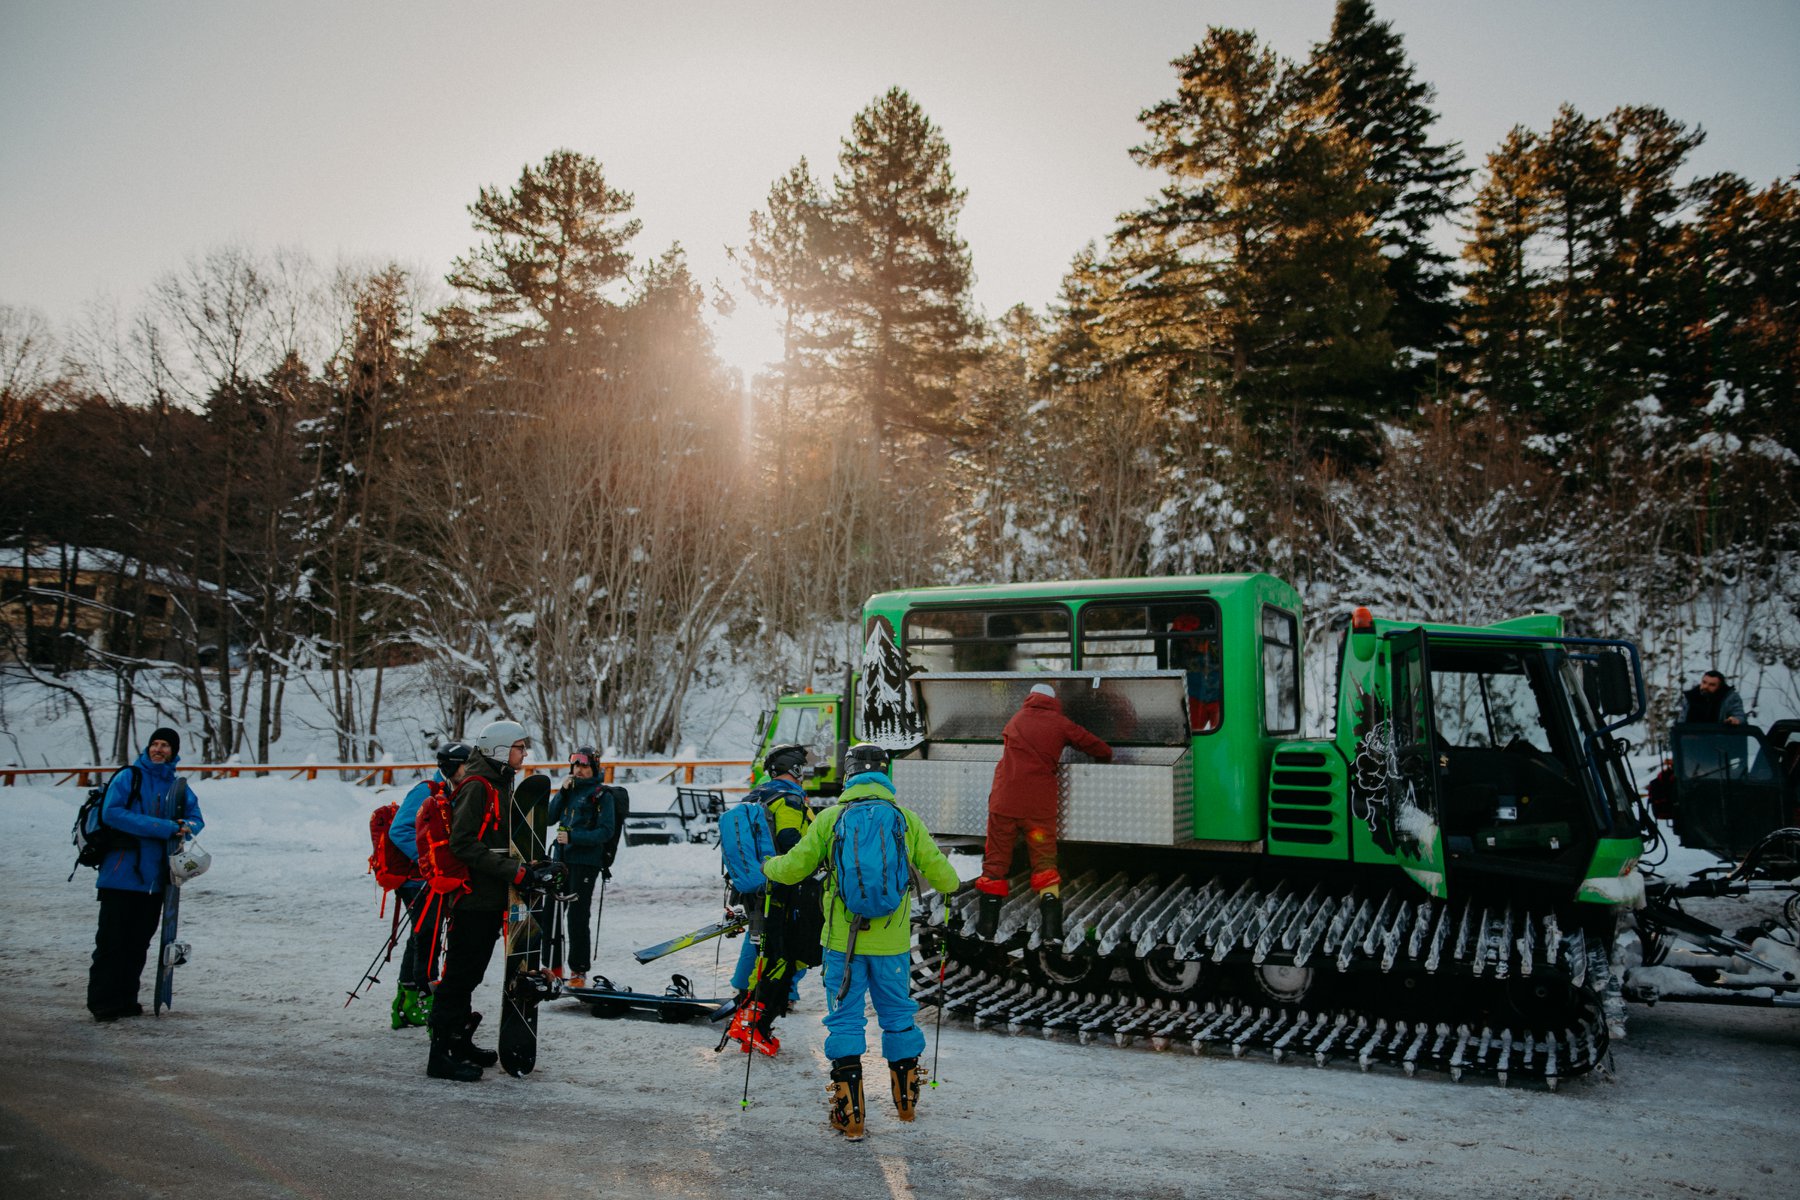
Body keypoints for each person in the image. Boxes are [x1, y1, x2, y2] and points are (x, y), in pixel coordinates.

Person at [763, 742, 959, 1141]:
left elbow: (792, 869)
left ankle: (849, 1114)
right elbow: (946, 878)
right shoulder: (906, 819)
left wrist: (767, 865)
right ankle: (906, 1104)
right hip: (892, 946)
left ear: (849, 774)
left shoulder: (831, 818)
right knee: (898, 1015)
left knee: (845, 1019)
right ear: (886, 775)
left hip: (842, 944)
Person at [425, 719, 563, 1082]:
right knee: (458, 977)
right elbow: (464, 844)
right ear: (501, 750)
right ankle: (440, 1054)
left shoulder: (501, 783)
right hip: (472, 900)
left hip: (489, 898)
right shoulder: (478, 786)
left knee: (469, 976)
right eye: (519, 746)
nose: (524, 753)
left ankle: (459, 1042)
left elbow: (502, 841)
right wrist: (514, 873)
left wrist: (529, 865)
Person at [973, 683, 1112, 943]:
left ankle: (986, 927)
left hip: (1004, 803)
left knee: (995, 862)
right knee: (1044, 864)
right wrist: (1104, 757)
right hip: (1037, 808)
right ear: (1053, 701)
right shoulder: (1060, 723)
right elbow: (1096, 746)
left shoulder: (1015, 720)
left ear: (1030, 699)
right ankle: (1051, 931)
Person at [86, 727, 205, 1022]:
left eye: (165, 745)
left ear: (173, 752)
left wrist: (185, 826)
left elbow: (196, 819)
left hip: (155, 880)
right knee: (112, 941)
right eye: (155, 743)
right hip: (120, 874)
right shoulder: (129, 777)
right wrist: (164, 827)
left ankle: (126, 999)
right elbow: (112, 813)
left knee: (139, 943)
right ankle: (102, 1002)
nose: (158, 749)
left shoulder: (176, 786)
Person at [721, 742, 816, 1056]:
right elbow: (791, 840)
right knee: (782, 951)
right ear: (795, 769)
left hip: (754, 884)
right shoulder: (788, 798)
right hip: (781, 884)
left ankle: (747, 999)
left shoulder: (758, 794)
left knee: (761, 941)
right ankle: (753, 1013)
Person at [386, 740, 472, 1029]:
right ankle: (419, 996)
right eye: (466, 764)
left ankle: (409, 999)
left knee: (425, 935)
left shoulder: (454, 792)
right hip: (417, 880)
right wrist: (429, 862)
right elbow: (399, 830)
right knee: (427, 935)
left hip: (433, 878)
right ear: (452, 766)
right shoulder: (425, 791)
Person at [547, 746, 618, 989]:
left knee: (577, 917)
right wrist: (561, 792)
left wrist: (574, 837)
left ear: (594, 768)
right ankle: (553, 967)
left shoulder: (602, 795)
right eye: (576, 765)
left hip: (585, 863)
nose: (578, 770)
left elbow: (606, 832)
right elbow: (549, 816)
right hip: (561, 860)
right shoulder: (570, 790)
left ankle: (579, 970)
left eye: (584, 766)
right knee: (552, 915)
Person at [1170, 613, 1223, 732]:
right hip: (1194, 695)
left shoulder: (1215, 643)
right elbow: (1176, 669)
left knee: (1224, 732)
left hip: (1218, 695)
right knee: (1193, 734)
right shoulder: (1180, 651)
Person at [1678, 671, 1746, 726]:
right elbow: (1682, 721)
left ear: (1720, 687)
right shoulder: (1691, 697)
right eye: (1704, 682)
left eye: (1712, 685)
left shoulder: (1729, 698)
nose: (1706, 686)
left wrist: (1735, 720)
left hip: (1720, 739)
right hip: (1692, 739)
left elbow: (1739, 716)